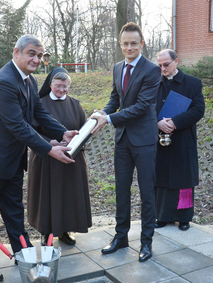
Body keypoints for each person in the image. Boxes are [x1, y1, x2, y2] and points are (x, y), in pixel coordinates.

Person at [0, 35, 78, 282]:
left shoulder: (29, 80)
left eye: (40, 55)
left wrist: (62, 132)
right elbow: (18, 125)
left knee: (15, 212)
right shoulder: (4, 82)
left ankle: (24, 254)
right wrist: (49, 149)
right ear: (16, 52)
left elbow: (38, 113)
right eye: (31, 54)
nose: (36, 59)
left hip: (13, 160)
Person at [91, 22, 160, 262]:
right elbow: (115, 98)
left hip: (144, 140)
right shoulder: (117, 67)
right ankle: (121, 237)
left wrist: (108, 119)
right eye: (125, 43)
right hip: (123, 140)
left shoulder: (152, 70)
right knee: (121, 189)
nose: (129, 47)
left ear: (142, 44)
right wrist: (101, 113)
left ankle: (146, 242)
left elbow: (142, 107)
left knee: (147, 192)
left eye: (134, 43)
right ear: (120, 45)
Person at [27, 68, 92, 246]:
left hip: (71, 158)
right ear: (50, 85)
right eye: (58, 86)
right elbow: (31, 132)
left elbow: (81, 128)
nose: (62, 90)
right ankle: (45, 232)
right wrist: (51, 143)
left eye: (65, 87)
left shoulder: (75, 104)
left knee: (68, 196)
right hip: (46, 159)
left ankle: (65, 230)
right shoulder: (39, 104)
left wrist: (82, 140)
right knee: (47, 196)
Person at [154, 49, 205, 231]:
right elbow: (146, 108)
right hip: (159, 138)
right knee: (160, 179)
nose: (163, 69)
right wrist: (158, 123)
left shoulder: (192, 83)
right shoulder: (154, 83)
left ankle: (184, 217)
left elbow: (198, 110)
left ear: (176, 61)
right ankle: (161, 215)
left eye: (166, 64)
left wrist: (175, 122)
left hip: (183, 139)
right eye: (159, 65)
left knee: (184, 180)